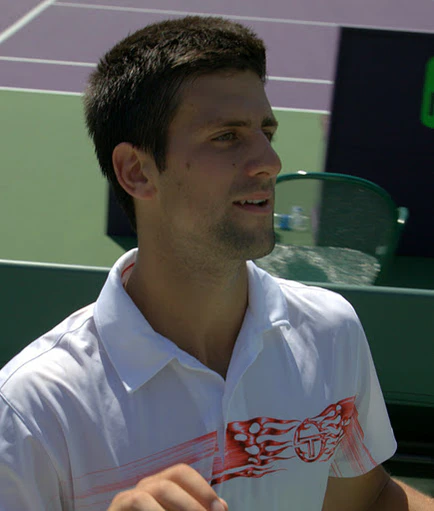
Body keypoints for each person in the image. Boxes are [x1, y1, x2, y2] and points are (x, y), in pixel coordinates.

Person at [0, 16, 432, 511]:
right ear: (137, 172)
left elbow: (368, 499)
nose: (269, 161)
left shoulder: (330, 331)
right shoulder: (32, 410)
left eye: (266, 131)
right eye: (227, 136)